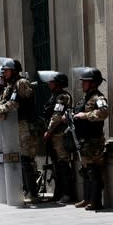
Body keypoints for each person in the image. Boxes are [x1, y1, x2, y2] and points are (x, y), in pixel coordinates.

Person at [0, 58, 40, 204]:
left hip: (25, 125)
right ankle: (24, 189)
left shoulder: (21, 83)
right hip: (14, 126)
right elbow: (4, 103)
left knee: (26, 160)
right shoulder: (10, 86)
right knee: (19, 160)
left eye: (6, 71)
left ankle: (33, 193)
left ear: (13, 71)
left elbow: (13, 104)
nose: (4, 74)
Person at [72, 67, 109, 210]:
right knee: (86, 170)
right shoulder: (85, 98)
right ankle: (87, 199)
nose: (82, 84)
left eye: (85, 82)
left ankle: (96, 201)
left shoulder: (99, 98)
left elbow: (103, 113)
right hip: (84, 140)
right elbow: (78, 112)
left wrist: (85, 116)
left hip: (94, 141)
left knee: (93, 171)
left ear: (93, 83)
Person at [39, 70, 76, 203]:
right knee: (56, 164)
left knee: (63, 164)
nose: (49, 84)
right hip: (54, 135)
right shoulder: (54, 96)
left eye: (52, 82)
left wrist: (48, 131)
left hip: (59, 134)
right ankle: (58, 193)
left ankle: (67, 193)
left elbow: (57, 115)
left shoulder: (62, 97)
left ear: (58, 83)